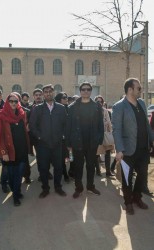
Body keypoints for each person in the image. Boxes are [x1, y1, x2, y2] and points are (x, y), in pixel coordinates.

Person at [112, 78, 154, 215]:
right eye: (139, 88)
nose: (141, 91)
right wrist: (119, 150)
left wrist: (152, 141)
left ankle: (137, 197)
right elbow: (116, 129)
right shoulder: (119, 106)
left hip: (143, 149)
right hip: (127, 151)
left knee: (142, 177)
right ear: (130, 90)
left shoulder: (141, 103)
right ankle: (128, 202)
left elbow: (147, 126)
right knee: (126, 178)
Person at [66, 82, 104, 199]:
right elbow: (68, 126)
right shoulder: (72, 107)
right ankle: (79, 188)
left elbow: (100, 125)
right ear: (80, 91)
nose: (85, 91)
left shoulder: (97, 106)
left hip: (92, 142)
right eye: (83, 89)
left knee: (91, 166)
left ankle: (90, 186)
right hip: (77, 142)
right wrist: (68, 143)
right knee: (78, 166)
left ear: (91, 91)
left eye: (88, 89)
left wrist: (99, 140)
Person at [30, 84, 67, 198]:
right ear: (43, 94)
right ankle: (45, 188)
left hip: (57, 144)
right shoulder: (38, 109)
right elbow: (32, 125)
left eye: (50, 91)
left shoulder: (61, 108)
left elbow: (65, 124)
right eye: (45, 92)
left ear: (53, 93)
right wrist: (40, 137)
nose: (48, 93)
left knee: (58, 167)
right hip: (43, 144)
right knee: (43, 167)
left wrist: (62, 136)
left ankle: (58, 187)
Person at [0, 93, 29, 206]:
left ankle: (17, 192)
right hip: (10, 151)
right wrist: (3, 152)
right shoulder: (1, 116)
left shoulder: (21, 114)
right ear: (7, 102)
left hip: (22, 150)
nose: (14, 103)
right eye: (11, 101)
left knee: (19, 174)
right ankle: (15, 196)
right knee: (11, 175)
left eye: (16, 101)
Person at [94, 95, 115, 178]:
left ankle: (108, 171)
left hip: (105, 134)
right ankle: (98, 171)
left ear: (103, 103)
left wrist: (110, 133)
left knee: (108, 153)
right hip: (96, 136)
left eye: (101, 101)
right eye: (97, 101)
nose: (99, 103)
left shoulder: (105, 111)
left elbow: (109, 122)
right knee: (96, 154)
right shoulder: (93, 111)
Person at [55, 92, 70, 183]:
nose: (66, 99)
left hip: (69, 138)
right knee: (62, 158)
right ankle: (65, 174)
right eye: (64, 97)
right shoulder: (56, 109)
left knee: (71, 157)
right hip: (60, 139)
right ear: (59, 100)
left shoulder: (69, 108)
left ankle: (70, 172)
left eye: (66, 97)